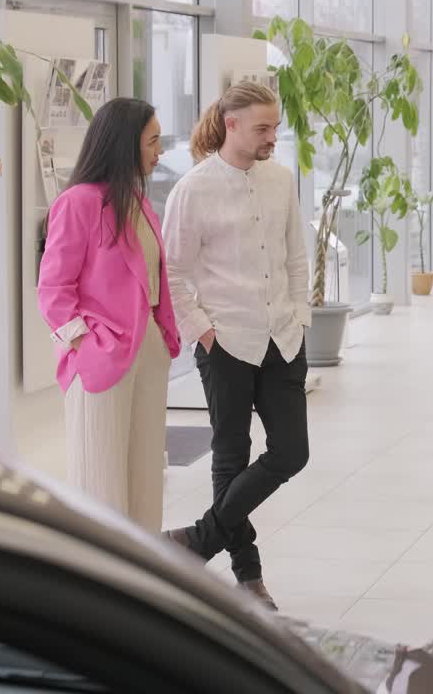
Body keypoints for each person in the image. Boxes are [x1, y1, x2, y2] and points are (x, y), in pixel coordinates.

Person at [160, 82, 311, 610]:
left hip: (283, 338)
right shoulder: (193, 189)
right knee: (231, 455)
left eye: (275, 127)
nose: (273, 137)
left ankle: (198, 540)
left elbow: (296, 257)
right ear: (232, 125)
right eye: (263, 128)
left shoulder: (281, 180)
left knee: (291, 452)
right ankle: (250, 579)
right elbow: (172, 272)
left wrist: (301, 317)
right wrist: (203, 330)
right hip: (225, 340)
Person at [37, 97, 181, 533]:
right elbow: (53, 289)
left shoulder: (137, 202)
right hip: (101, 356)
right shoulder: (77, 203)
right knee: (99, 479)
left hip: (148, 350)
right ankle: (99, 571)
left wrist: (161, 338)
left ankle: (142, 567)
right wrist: (86, 343)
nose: (159, 152)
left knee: (145, 477)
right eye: (152, 141)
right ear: (124, 143)